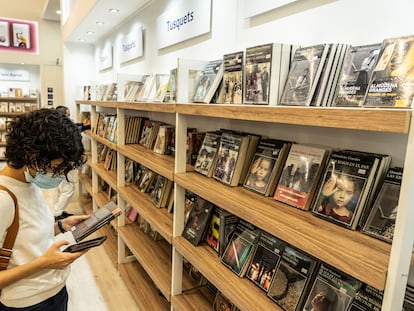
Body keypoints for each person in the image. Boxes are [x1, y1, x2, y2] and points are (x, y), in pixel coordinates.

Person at [0, 108, 89, 310]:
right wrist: (43, 263)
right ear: (31, 156)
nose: (60, 175)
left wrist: (60, 226)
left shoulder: (29, 183)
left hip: (55, 292)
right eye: (56, 168)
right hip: (27, 303)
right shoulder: (3, 199)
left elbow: (24, 237)